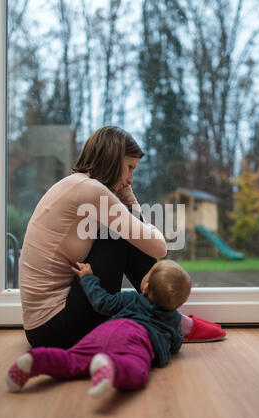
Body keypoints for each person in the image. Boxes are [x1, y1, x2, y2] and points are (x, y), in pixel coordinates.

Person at [19, 125, 225, 349]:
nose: (130, 179)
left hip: (44, 328)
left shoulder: (76, 184)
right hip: (56, 328)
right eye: (129, 167)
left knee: (123, 230)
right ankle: (172, 319)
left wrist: (129, 205)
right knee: (118, 233)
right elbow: (158, 248)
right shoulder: (91, 191)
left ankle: (169, 317)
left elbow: (142, 237)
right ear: (112, 158)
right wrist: (131, 201)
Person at [6, 260, 192, 397]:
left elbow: (102, 302)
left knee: (72, 359)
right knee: (138, 370)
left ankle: (35, 360)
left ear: (146, 287)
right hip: (136, 340)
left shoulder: (132, 299)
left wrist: (88, 278)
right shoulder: (174, 320)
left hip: (105, 331)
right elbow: (175, 345)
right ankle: (111, 366)